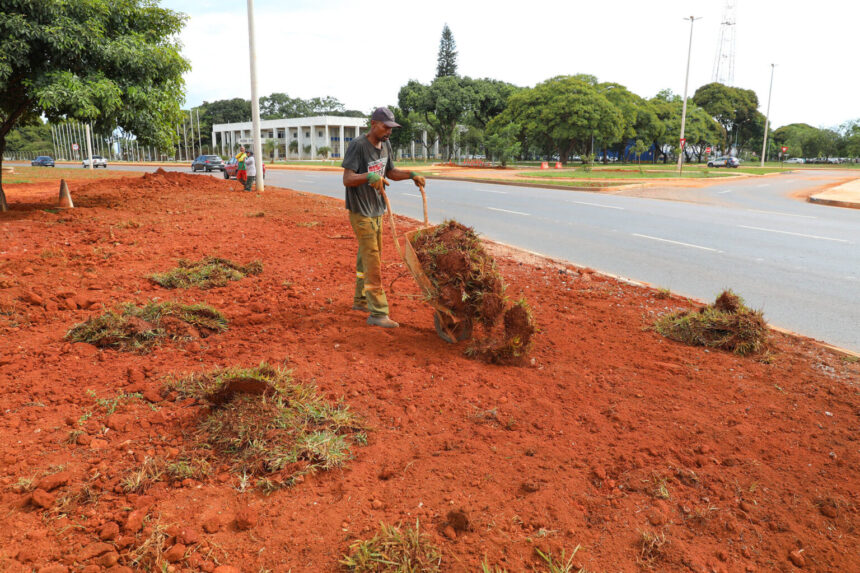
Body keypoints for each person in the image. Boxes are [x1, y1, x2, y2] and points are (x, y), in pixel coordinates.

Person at [341, 106, 426, 328]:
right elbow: (348, 179)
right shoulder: (358, 146)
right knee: (373, 259)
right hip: (361, 211)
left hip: (377, 209)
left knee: (367, 254)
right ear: (373, 124)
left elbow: (390, 172)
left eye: (391, 128)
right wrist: (368, 176)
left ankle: (360, 300)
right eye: (386, 127)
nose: (389, 132)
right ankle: (378, 313)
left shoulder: (386, 144)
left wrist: (411, 175)